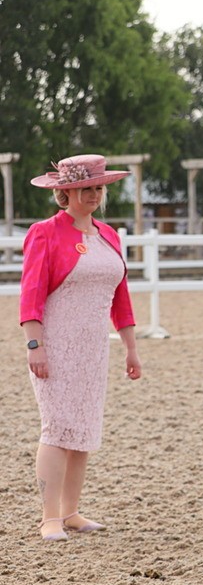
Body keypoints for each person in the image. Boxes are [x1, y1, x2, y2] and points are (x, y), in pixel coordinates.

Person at [21, 154, 142, 541]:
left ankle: (71, 512)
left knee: (83, 430)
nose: (93, 194)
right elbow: (31, 294)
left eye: (98, 187)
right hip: (55, 345)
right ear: (66, 192)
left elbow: (121, 297)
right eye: (85, 188)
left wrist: (131, 347)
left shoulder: (109, 236)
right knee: (57, 428)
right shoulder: (44, 233)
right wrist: (35, 345)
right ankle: (49, 517)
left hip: (94, 348)